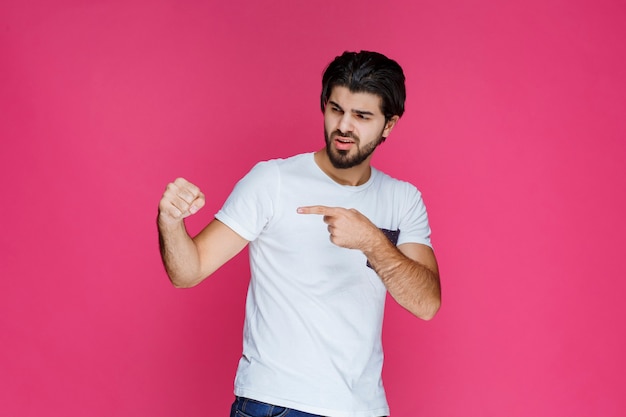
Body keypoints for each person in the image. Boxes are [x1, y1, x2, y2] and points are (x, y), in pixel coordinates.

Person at [157, 50, 441, 417]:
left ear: (389, 124)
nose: (344, 126)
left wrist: (371, 241)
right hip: (277, 403)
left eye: (362, 116)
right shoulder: (271, 181)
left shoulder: (403, 199)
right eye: (336, 109)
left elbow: (427, 303)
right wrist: (170, 222)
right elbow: (187, 271)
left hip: (365, 409)